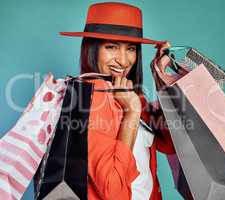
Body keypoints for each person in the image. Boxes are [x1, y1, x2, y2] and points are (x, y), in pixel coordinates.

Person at [60, 2, 176, 200]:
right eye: (112, 47)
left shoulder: (131, 95)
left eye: (130, 49)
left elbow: (170, 143)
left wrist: (160, 77)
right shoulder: (87, 100)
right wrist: (131, 113)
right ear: (92, 48)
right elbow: (113, 191)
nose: (123, 61)